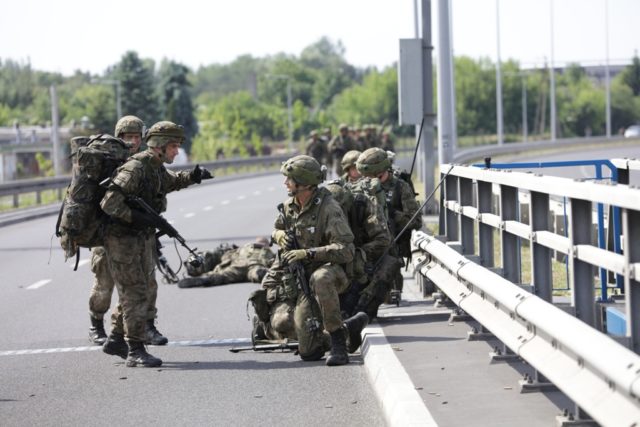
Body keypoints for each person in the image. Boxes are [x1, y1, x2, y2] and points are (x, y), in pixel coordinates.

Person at [100, 121, 212, 367]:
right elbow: (109, 203)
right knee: (135, 292)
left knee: (141, 289)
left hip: (140, 236)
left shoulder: (155, 166)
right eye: (173, 146)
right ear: (160, 146)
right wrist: (138, 218)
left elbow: (170, 182)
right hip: (122, 239)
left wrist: (193, 177)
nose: (176, 152)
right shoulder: (136, 167)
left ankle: (116, 339)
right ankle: (135, 350)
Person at [250, 155, 368, 366]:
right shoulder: (289, 206)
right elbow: (276, 229)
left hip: (332, 272)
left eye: (289, 179)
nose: (285, 183)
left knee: (320, 277)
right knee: (309, 352)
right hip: (300, 275)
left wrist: (309, 253)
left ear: (303, 183)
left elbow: (346, 250)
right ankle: (347, 329)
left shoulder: (329, 208)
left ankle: (339, 342)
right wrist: (279, 236)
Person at [325, 150, 400, 320]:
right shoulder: (323, 212)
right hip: (334, 261)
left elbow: (383, 240)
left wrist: (360, 252)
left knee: (389, 264)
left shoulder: (361, 205)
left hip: (361, 257)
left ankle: (362, 312)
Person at [356, 148, 422, 301]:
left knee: (388, 291)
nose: (372, 180)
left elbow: (416, 220)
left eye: (375, 176)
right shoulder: (361, 187)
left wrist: (391, 212)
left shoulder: (400, 187)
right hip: (367, 243)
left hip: (392, 244)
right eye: (367, 177)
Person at [177, 237, 275, 288]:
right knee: (256, 272)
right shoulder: (269, 252)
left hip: (242, 264)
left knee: (225, 274)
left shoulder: (241, 248)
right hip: (252, 265)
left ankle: (207, 278)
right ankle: (206, 278)